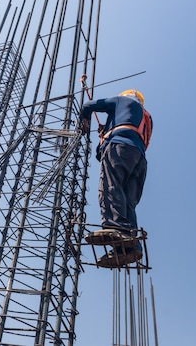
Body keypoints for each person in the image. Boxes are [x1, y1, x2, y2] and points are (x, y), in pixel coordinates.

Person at [79, 89, 153, 267]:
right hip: (139, 159)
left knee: (110, 187)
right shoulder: (145, 116)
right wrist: (105, 134)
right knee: (128, 202)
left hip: (119, 147)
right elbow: (128, 133)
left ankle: (115, 227)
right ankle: (129, 246)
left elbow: (88, 106)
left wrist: (85, 121)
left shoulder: (121, 101)